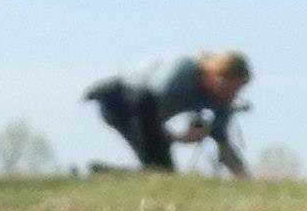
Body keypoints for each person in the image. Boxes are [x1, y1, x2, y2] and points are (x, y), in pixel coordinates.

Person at [84, 50, 253, 175]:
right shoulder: (183, 72)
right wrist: (181, 138)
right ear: (217, 77)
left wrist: (244, 177)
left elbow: (223, 144)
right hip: (120, 99)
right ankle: (110, 175)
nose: (232, 94)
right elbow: (148, 112)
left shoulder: (221, 100)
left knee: (160, 168)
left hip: (146, 110)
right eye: (231, 87)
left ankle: (107, 173)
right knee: (160, 168)